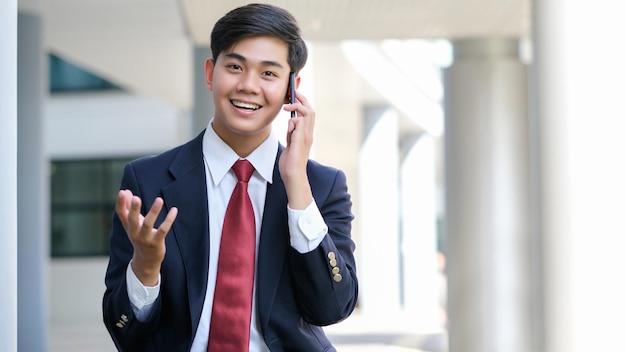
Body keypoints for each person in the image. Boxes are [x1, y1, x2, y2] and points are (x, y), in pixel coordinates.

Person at [102, 3, 358, 351]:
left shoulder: (322, 186)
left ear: (291, 89)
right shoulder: (146, 181)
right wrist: (146, 267)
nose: (248, 86)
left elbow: (332, 307)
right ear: (210, 72)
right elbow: (124, 332)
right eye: (235, 67)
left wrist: (296, 182)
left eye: (268, 73)